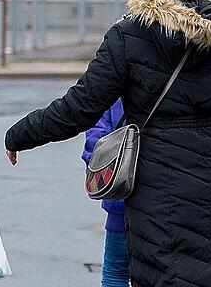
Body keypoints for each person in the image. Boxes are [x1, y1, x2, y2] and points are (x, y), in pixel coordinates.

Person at [5, 0, 211, 287]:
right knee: (210, 276)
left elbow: (81, 106)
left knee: (160, 275)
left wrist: (22, 133)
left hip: (155, 182)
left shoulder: (128, 35)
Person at [82, 99, 130, 287]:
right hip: (170, 200)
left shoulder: (115, 80)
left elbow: (95, 138)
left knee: (115, 272)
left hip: (121, 198)